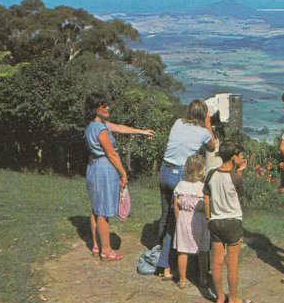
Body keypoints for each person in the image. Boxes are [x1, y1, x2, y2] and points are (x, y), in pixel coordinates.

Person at [84, 93, 155, 261]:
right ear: (94, 109)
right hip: (104, 169)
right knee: (104, 211)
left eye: (107, 104)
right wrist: (123, 173)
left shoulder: (94, 125)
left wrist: (141, 132)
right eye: (102, 106)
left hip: (93, 167)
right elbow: (111, 154)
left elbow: (120, 128)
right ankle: (106, 251)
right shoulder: (101, 128)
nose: (107, 108)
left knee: (96, 209)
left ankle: (96, 246)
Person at [156, 99, 216, 280]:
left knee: (166, 217)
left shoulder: (178, 122)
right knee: (178, 222)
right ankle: (168, 264)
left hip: (164, 171)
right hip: (179, 175)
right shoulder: (203, 132)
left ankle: (163, 258)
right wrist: (208, 123)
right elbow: (212, 146)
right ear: (203, 114)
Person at [204, 138, 253, 303]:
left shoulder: (211, 173)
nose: (242, 159)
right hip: (232, 222)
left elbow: (206, 196)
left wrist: (208, 216)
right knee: (232, 262)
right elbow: (241, 194)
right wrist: (240, 172)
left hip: (215, 221)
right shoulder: (235, 177)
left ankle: (218, 298)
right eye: (240, 156)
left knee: (216, 261)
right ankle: (233, 299)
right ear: (233, 158)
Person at [173, 154, 210, 290]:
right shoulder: (203, 187)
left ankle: (182, 280)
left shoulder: (180, 185)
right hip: (199, 219)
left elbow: (175, 205)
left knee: (182, 251)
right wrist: (208, 217)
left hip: (183, 218)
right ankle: (203, 277)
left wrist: (179, 219)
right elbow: (207, 204)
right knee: (203, 250)